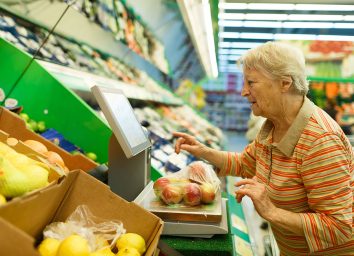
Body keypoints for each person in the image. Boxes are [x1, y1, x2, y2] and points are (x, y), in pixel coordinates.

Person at [173, 42, 354, 255]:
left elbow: (342, 227)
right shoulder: (273, 127)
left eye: (251, 83)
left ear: (284, 83)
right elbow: (246, 163)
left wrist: (271, 211)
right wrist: (204, 151)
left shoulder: (320, 141)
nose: (243, 92)